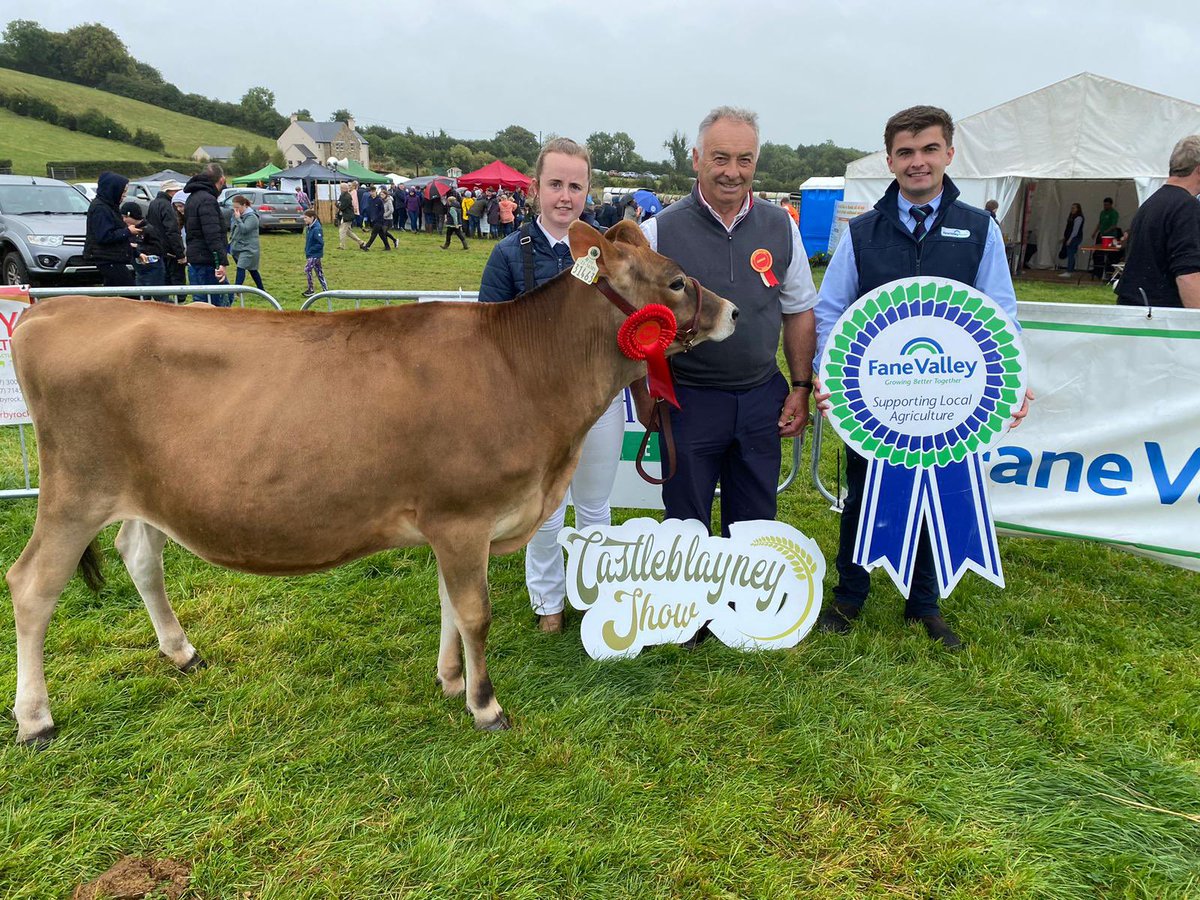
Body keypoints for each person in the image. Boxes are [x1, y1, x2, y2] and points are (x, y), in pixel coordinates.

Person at [813, 104, 1029, 650]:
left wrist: (1010, 382)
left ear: (949, 154)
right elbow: (831, 311)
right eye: (905, 152)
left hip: (951, 395)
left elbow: (1002, 313)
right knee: (861, 493)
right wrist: (826, 376)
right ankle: (850, 593)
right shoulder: (861, 233)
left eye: (929, 150)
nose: (918, 162)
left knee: (943, 488)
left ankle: (925, 603)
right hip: (876, 397)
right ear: (889, 160)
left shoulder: (980, 230)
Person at [639, 107, 817, 541]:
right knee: (686, 526)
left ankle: (747, 610)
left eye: (745, 159)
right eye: (720, 158)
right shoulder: (656, 233)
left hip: (761, 399)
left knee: (756, 527)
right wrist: (642, 395)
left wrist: (799, 387)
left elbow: (798, 310)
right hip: (688, 402)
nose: (733, 172)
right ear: (697, 158)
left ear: (756, 161)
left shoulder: (781, 226)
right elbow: (632, 325)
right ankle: (689, 609)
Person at [478, 137, 625, 634]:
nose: (566, 196)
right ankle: (549, 604)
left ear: (589, 190)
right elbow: (486, 333)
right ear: (536, 187)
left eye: (576, 186)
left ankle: (597, 597)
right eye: (556, 184)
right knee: (544, 509)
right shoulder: (508, 253)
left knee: (595, 505)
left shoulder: (612, 254)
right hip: (536, 411)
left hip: (601, 402)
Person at [1117, 135, 1200, 309]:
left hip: (1137, 311)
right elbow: (1188, 275)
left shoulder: (1151, 203)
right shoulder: (1186, 206)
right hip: (1161, 319)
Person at [83, 171, 142, 287]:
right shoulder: (100, 208)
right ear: (113, 189)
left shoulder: (110, 206)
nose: (124, 195)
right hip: (107, 259)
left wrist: (136, 253)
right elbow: (104, 236)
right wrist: (128, 231)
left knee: (112, 295)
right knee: (130, 295)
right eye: (123, 191)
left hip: (112, 258)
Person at [183, 163, 229, 304]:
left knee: (201, 301)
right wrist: (221, 262)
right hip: (207, 260)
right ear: (221, 180)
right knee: (217, 302)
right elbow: (212, 233)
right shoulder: (207, 200)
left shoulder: (192, 197)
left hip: (196, 257)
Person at [147, 179, 186, 302]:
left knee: (164, 280)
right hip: (171, 251)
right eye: (177, 191)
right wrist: (180, 253)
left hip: (158, 248)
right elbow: (172, 231)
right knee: (176, 280)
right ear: (170, 191)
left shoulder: (153, 203)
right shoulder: (167, 206)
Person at [120, 200, 163, 293]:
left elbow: (158, 248)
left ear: (133, 215)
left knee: (157, 293)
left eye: (126, 217)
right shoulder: (128, 230)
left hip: (152, 267)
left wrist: (138, 247)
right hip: (138, 268)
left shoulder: (149, 229)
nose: (124, 220)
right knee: (141, 293)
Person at [228, 194, 265, 291]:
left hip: (248, 248)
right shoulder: (236, 215)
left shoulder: (252, 217)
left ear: (244, 205)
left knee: (241, 267)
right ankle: (261, 289)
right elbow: (233, 230)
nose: (235, 210)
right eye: (234, 207)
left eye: (237, 207)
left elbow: (244, 230)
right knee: (252, 270)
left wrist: (238, 219)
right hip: (237, 247)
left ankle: (236, 290)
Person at [301, 208, 328, 298]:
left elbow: (320, 243)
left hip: (315, 254)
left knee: (308, 269)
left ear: (312, 218)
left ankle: (311, 289)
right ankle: (326, 290)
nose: (304, 219)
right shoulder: (309, 228)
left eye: (306, 218)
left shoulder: (316, 229)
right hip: (311, 253)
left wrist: (311, 250)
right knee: (319, 271)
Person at [363, 186, 395, 250]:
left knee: (374, 233)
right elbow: (369, 209)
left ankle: (367, 246)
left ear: (375, 191)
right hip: (373, 219)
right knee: (381, 234)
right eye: (371, 192)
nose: (372, 193)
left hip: (379, 220)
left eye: (373, 191)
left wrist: (378, 217)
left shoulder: (379, 200)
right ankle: (387, 247)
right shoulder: (369, 199)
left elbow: (382, 210)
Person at [336, 183, 367, 250]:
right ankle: (361, 242)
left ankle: (342, 246)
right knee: (348, 232)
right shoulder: (343, 195)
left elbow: (342, 206)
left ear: (344, 188)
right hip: (345, 215)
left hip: (348, 216)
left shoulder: (347, 196)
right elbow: (339, 203)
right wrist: (338, 204)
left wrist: (338, 205)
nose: (340, 189)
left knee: (342, 230)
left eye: (341, 188)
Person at [1058, 202, 1084, 277]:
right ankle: (1071, 270)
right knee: (1071, 254)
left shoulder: (1078, 218)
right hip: (1070, 237)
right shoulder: (1072, 217)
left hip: (1074, 238)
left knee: (1071, 254)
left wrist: (1069, 240)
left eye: (1074, 208)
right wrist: (1065, 238)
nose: (1072, 209)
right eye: (1071, 208)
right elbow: (1069, 228)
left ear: (1078, 209)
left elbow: (1075, 230)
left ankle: (1069, 271)